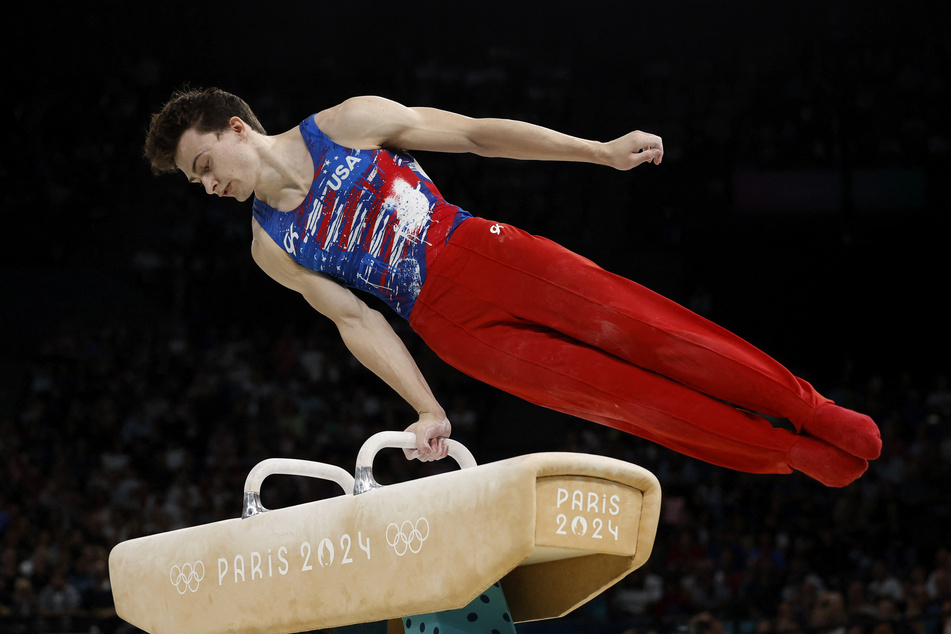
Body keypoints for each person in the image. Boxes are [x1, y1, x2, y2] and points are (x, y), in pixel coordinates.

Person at [143, 87, 881, 487]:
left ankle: (809, 410)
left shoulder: (345, 124)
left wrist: (596, 153)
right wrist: (427, 408)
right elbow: (356, 321)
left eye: (205, 164)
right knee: (628, 403)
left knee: (653, 333)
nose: (208, 186)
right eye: (195, 182)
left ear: (238, 128)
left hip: (479, 251)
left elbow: (472, 134)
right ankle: (787, 454)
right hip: (450, 331)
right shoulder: (270, 246)